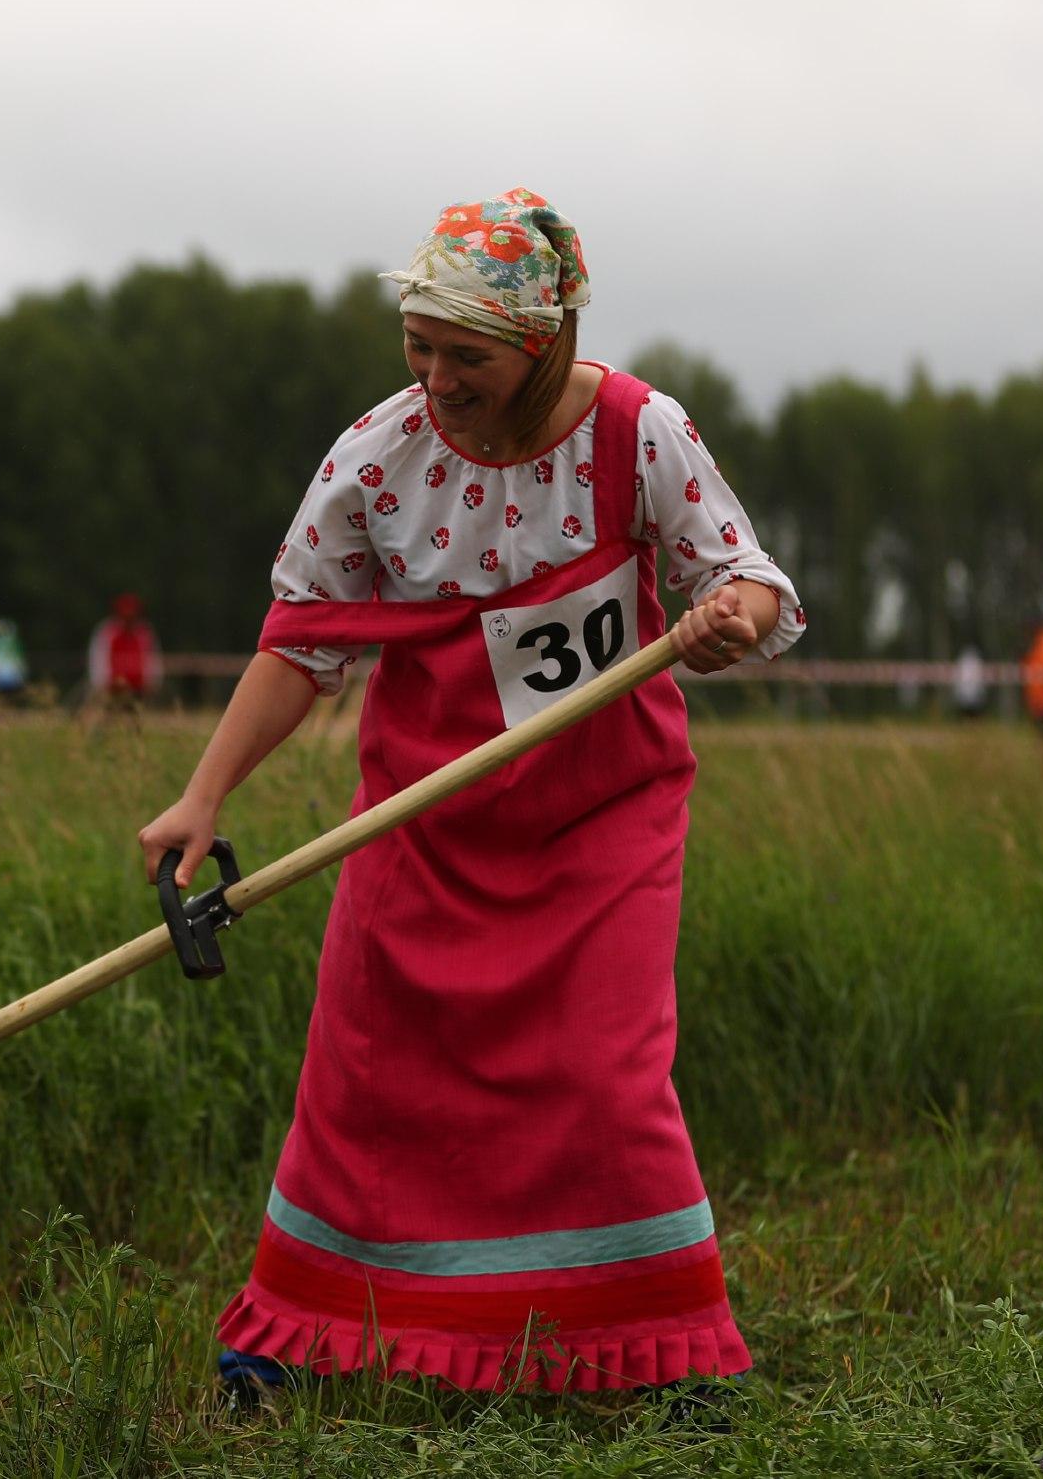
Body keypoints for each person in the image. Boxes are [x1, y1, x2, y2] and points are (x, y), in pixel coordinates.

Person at [137, 191, 805, 1403]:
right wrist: (202, 796)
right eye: (418, 343)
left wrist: (726, 622)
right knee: (364, 1080)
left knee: (605, 1080)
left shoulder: (635, 431)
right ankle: (302, 1340)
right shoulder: (375, 457)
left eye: (468, 354)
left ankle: (654, 1353)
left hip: (604, 821)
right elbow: (301, 645)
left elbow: (746, 577)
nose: (436, 379)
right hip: (421, 820)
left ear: (542, 339)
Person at [87, 594, 161, 721]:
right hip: (112, 689)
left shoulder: (143, 633)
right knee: (109, 719)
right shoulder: (107, 632)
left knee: (135, 719)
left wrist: (153, 681)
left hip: (138, 688)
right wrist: (100, 682)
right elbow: (98, 658)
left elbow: (151, 659)